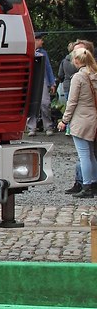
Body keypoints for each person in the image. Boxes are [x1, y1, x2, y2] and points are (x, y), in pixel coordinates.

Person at [56, 46, 97, 198]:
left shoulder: (78, 78)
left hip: (81, 120)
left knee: (84, 155)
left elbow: (72, 102)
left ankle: (86, 186)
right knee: (92, 154)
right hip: (94, 118)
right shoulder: (95, 74)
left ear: (77, 61)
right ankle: (94, 183)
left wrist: (64, 121)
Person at [26, 32, 56, 135]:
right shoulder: (26, 51)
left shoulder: (43, 53)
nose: (42, 42)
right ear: (36, 40)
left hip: (42, 80)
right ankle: (31, 128)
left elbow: (48, 68)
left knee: (45, 103)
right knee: (30, 104)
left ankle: (48, 126)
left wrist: (52, 83)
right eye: (41, 40)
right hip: (29, 80)